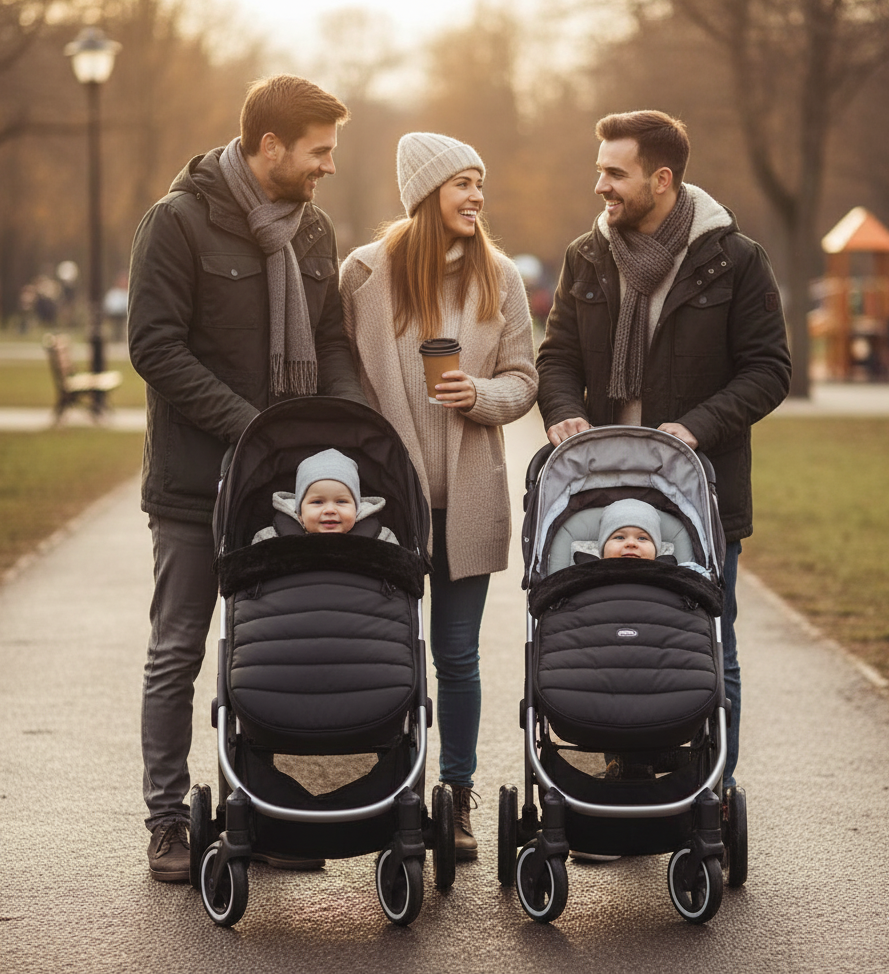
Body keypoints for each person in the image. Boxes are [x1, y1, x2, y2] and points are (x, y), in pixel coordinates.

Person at [128, 74, 366, 882]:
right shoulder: (178, 222)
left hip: (286, 488)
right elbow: (155, 347)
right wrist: (254, 430)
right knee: (179, 651)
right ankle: (166, 822)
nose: (328, 166)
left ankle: (252, 815)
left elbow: (330, 338)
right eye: (318, 151)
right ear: (271, 147)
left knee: (262, 653)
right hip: (198, 486)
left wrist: (343, 421)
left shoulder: (312, 231)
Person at [536, 110, 792, 793]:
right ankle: (628, 783)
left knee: (710, 642)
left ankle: (707, 795)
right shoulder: (585, 256)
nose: (600, 186)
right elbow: (556, 355)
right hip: (600, 487)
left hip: (695, 487)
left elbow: (767, 369)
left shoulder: (734, 260)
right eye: (599, 171)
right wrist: (561, 412)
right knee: (616, 637)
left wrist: (694, 429)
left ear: (661, 179)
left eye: (613, 173)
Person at [339, 132, 538, 859]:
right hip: (387, 506)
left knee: (455, 656)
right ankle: (395, 793)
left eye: (479, 181)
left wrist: (479, 393)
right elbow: (346, 381)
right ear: (426, 193)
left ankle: (455, 799)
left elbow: (523, 379)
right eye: (461, 182)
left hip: (467, 502)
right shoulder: (363, 273)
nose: (476, 196)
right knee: (392, 655)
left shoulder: (500, 277)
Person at [251, 448, 397, 542]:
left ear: (357, 507)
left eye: (341, 501)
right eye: (317, 502)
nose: (330, 510)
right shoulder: (270, 539)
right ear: (299, 512)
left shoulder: (382, 538)